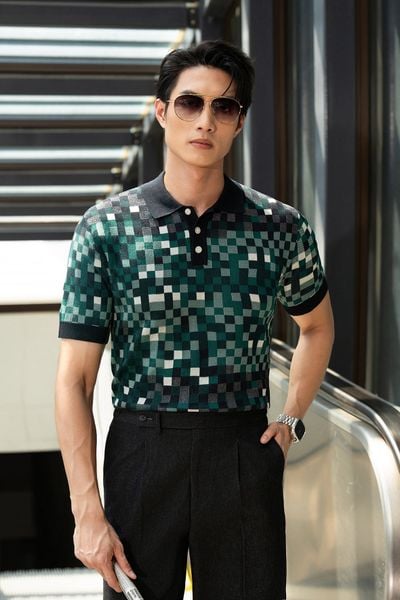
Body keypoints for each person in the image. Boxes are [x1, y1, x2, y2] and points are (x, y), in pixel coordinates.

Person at [55, 40, 334, 600]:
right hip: (141, 450)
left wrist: (291, 420)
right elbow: (74, 380)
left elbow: (317, 326)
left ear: (239, 123)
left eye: (223, 107)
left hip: (242, 449)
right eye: (190, 103)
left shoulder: (279, 226)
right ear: (162, 112)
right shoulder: (107, 227)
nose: (205, 120)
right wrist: (86, 508)